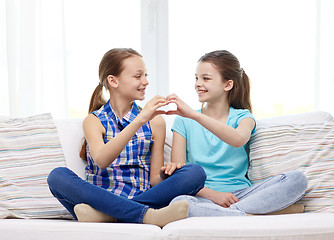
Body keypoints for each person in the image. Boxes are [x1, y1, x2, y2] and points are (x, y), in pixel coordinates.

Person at [47, 48, 206, 227]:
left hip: (140, 196)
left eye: (146, 75)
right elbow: (101, 160)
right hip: (99, 198)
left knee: (195, 173)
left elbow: (154, 179)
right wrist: (139, 120)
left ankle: (109, 216)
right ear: (113, 81)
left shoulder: (156, 123)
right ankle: (146, 216)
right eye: (138, 76)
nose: (145, 82)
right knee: (57, 176)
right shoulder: (94, 120)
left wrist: (168, 171)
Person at [165, 50, 308, 217]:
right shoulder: (183, 121)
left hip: (242, 195)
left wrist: (195, 115)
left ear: (228, 85)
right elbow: (181, 177)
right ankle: (248, 215)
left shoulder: (244, 117)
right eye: (196, 78)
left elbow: (238, 139)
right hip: (202, 195)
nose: (197, 83)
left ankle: (230, 213)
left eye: (206, 78)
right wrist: (214, 195)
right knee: (179, 203)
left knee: (297, 179)